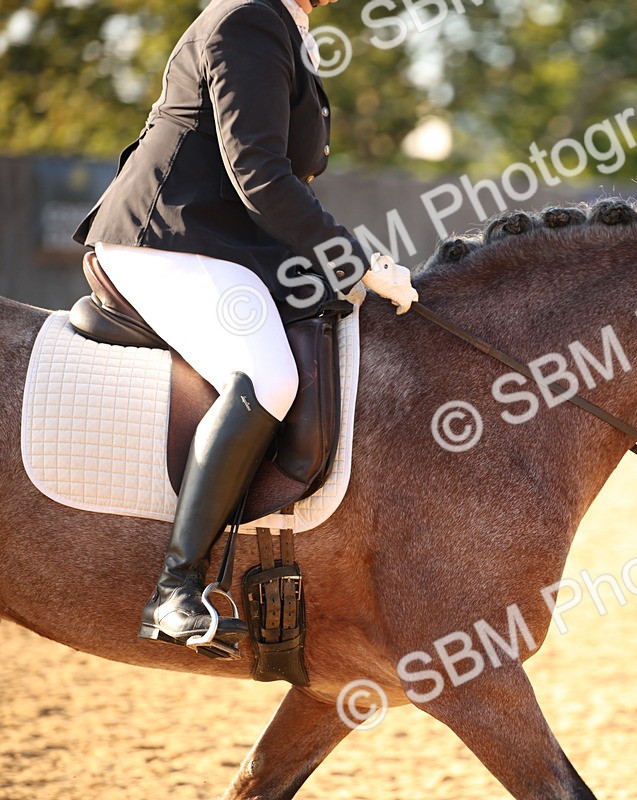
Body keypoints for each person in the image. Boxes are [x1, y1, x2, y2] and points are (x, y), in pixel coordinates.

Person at [73, 0, 416, 654]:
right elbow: (259, 173)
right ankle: (174, 590)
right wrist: (358, 259)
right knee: (267, 376)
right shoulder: (248, 17)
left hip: (222, 242)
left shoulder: (286, 25)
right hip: (168, 237)